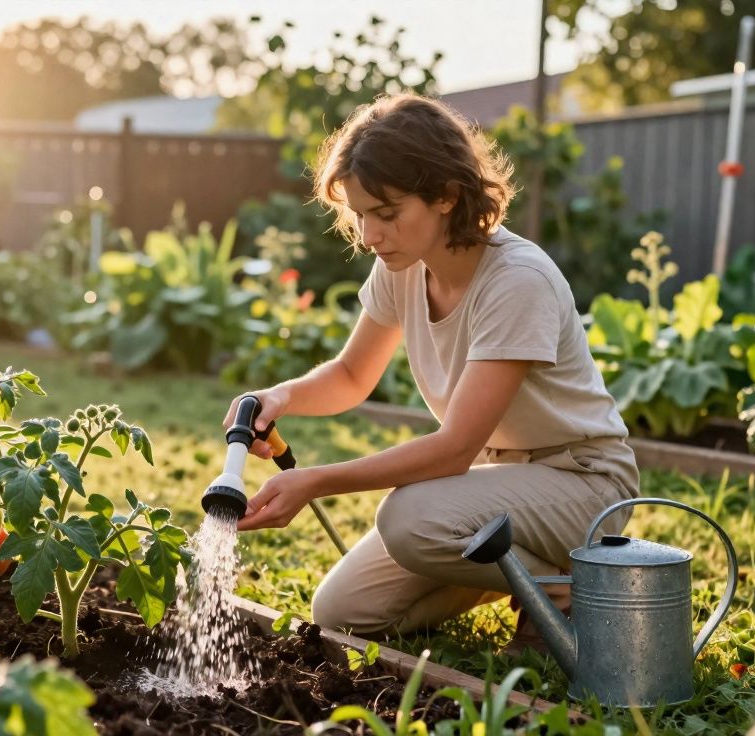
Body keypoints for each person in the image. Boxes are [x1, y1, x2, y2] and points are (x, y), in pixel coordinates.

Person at [223, 93, 639, 647]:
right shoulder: (402, 265)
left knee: (409, 519)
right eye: (360, 215)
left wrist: (316, 481)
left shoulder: (516, 280)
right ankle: (528, 578)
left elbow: (453, 449)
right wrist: (281, 396)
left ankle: (565, 590)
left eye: (387, 214)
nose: (370, 236)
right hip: (495, 488)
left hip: (582, 483)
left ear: (447, 195)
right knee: (341, 611)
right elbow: (351, 375)